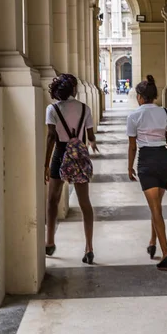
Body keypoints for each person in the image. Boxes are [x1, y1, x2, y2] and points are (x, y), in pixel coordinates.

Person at [44, 74, 99, 264]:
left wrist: (46, 164)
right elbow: (90, 134)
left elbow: (51, 137)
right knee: (85, 203)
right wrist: (91, 143)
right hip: (79, 154)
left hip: (60, 153)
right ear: (74, 89)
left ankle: (50, 241)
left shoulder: (52, 109)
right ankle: (89, 247)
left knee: (52, 200)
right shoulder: (85, 108)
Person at [126, 75, 167, 271]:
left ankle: (166, 253)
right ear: (154, 96)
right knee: (156, 205)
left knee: (155, 208)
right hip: (163, 159)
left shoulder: (134, 116)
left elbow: (132, 147)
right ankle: (152, 241)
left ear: (139, 96)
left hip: (146, 161)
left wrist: (129, 167)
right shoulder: (165, 112)